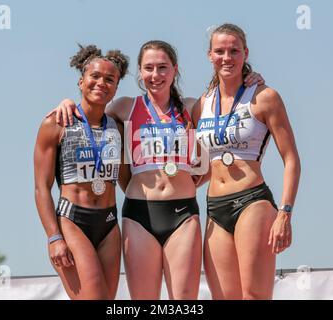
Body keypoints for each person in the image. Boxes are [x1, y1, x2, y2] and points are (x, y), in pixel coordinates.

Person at [49, 40, 263, 300]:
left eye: (162, 67)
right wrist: (66, 103)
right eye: (148, 68)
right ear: (140, 72)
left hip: (183, 214)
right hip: (140, 214)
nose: (155, 75)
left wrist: (250, 79)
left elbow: (230, 106)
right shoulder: (125, 107)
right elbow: (92, 106)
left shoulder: (194, 107)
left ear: (174, 69)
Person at [192, 23, 301, 300]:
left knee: (253, 296)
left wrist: (285, 213)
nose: (226, 57)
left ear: (245, 53)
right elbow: (204, 166)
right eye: (219, 51)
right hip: (215, 208)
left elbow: (291, 159)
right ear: (209, 55)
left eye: (233, 51)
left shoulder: (265, 97)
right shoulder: (201, 104)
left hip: (252, 201)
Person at [34, 44, 129, 299]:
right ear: (81, 81)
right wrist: (54, 237)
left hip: (109, 223)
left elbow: (129, 183)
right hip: (72, 222)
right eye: (95, 76)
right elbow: (41, 187)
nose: (101, 83)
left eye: (110, 79)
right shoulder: (55, 123)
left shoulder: (118, 128)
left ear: (116, 88)